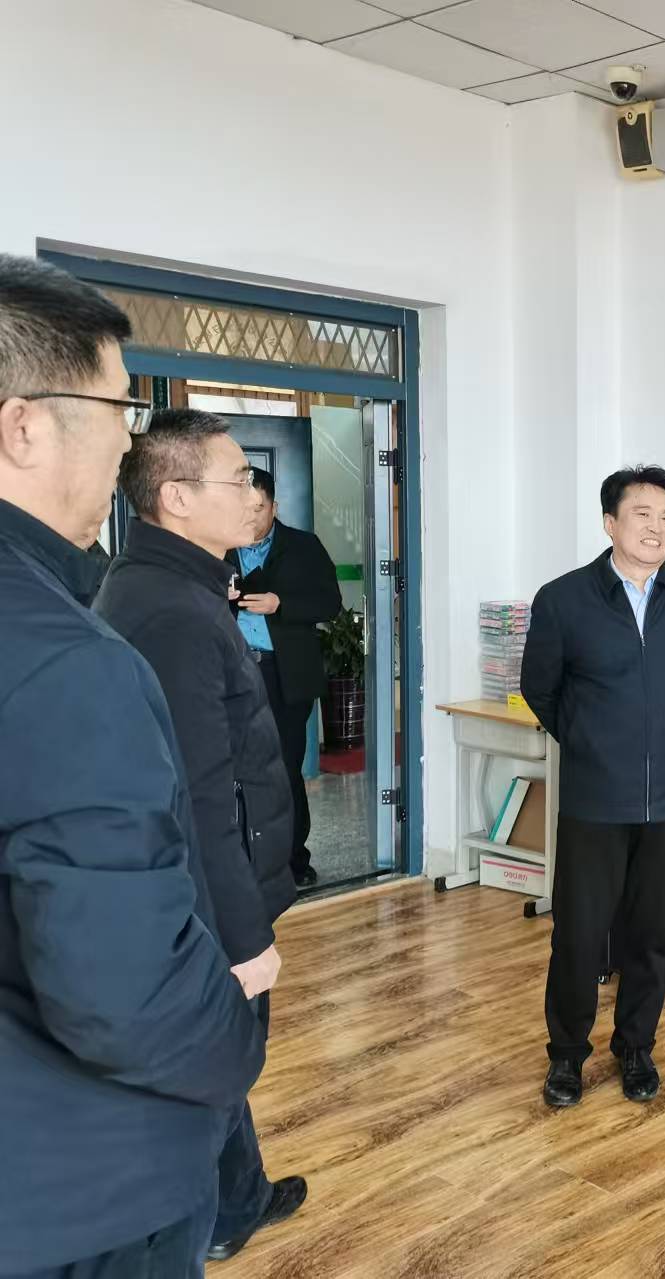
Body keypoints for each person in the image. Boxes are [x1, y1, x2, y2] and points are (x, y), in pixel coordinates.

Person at [0, 252, 265, 1277]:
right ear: (24, 426)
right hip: (81, 1195)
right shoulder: (65, 655)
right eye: (119, 407)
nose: (126, 442)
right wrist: (236, 1038)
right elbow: (125, 991)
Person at [96, 409, 309, 1264]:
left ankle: (239, 1196)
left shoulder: (172, 585)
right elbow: (202, 790)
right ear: (177, 496)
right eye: (239, 478)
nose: (253, 494)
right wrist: (244, 934)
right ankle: (207, 1219)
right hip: (210, 900)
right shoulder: (174, 611)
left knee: (222, 1058)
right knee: (218, 1058)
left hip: (208, 888)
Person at [520, 466, 665, 1108]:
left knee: (653, 933)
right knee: (579, 936)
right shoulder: (564, 599)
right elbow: (539, 688)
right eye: (643, 514)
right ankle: (566, 1056)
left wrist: (664, 746)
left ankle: (636, 1048)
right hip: (595, 800)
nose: (656, 528)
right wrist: (591, 742)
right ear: (610, 523)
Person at [229, 467, 342, 889]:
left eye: (258, 508)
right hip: (230, 672)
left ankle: (293, 860)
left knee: (284, 769)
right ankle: (241, 861)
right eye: (243, 506)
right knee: (232, 769)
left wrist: (281, 604)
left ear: (274, 507)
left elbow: (329, 603)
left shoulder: (303, 547)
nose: (250, 516)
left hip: (284, 675)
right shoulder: (217, 545)